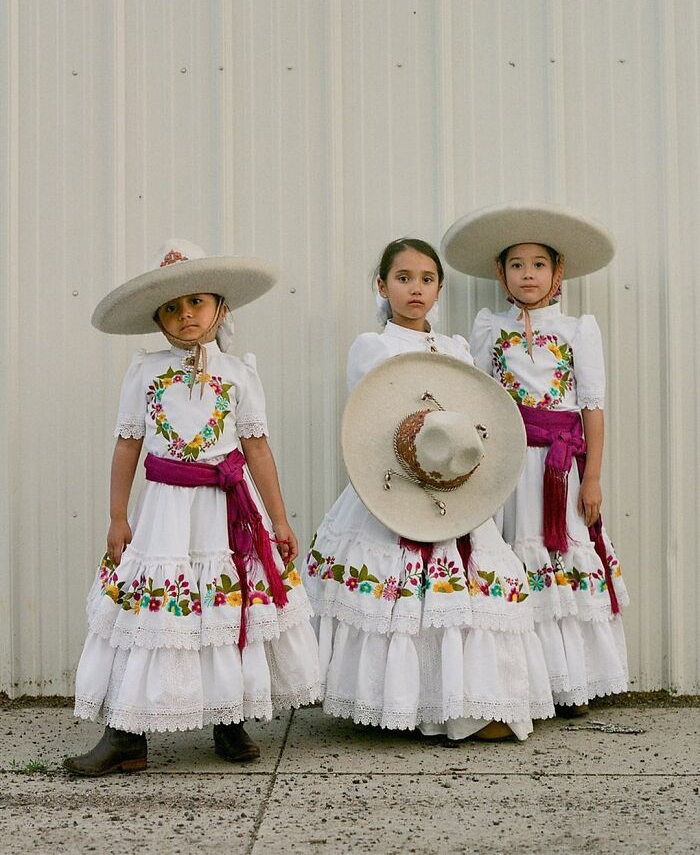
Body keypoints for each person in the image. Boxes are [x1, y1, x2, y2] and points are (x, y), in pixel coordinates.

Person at [64, 239, 320, 776]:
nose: (185, 315)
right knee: (154, 613)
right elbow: (128, 444)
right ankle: (127, 736)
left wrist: (278, 518)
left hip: (226, 510)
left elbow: (256, 448)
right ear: (159, 319)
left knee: (226, 611)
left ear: (220, 308)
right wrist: (117, 517)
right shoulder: (145, 372)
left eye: (196, 303)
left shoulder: (238, 373)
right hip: (165, 513)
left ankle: (230, 721)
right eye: (172, 308)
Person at [302, 237, 554, 742]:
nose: (415, 289)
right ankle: (402, 702)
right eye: (403, 278)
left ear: (438, 288)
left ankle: (465, 700)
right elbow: (373, 418)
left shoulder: (456, 348)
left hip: (451, 484)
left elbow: (475, 414)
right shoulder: (374, 346)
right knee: (404, 593)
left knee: (464, 591)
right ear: (382, 285)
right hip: (395, 480)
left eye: (426, 279)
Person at [441, 202, 629, 715]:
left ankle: (568, 682)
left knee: (558, 556)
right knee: (506, 555)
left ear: (558, 271)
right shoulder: (488, 327)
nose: (528, 275)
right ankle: (517, 681)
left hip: (558, 467)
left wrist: (591, 477)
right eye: (517, 265)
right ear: (501, 273)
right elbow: (477, 395)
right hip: (506, 463)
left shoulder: (576, 330)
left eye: (539, 264)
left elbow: (591, 407)